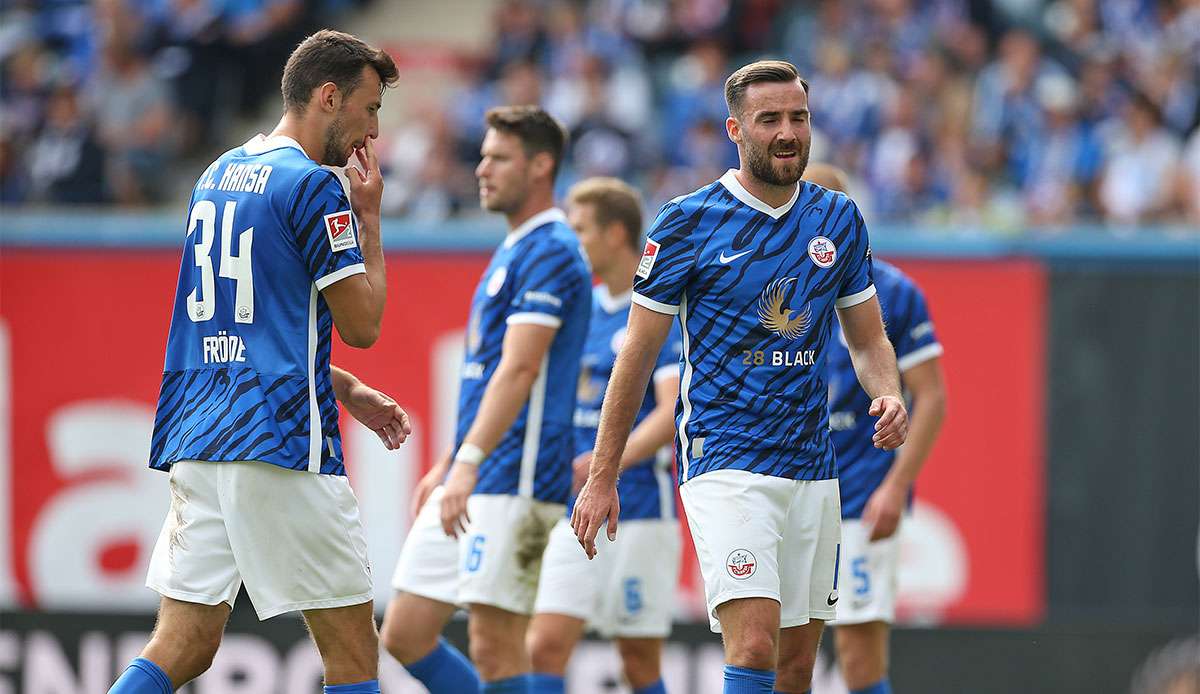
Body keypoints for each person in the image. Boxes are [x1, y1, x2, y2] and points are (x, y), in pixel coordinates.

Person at [571, 60, 909, 694]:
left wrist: (885, 390)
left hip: (813, 465)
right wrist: (603, 474)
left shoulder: (838, 218)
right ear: (735, 129)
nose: (787, 132)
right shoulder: (687, 222)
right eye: (770, 119)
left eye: (798, 118)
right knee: (753, 645)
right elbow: (638, 354)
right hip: (725, 459)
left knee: (795, 667)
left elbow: (868, 340)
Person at [109, 30, 404, 694]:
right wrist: (370, 221)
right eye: (368, 108)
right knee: (354, 655)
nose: (372, 131)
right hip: (279, 439)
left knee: (182, 640)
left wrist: (347, 390)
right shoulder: (312, 188)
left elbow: (238, 330)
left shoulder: (217, 174)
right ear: (328, 97)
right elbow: (363, 325)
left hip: (200, 435)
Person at [381, 105, 592, 693]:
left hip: (520, 473)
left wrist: (467, 463)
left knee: (497, 646)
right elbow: (486, 374)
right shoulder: (515, 248)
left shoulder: (552, 248)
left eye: (499, 158)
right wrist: (452, 460)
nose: (482, 169)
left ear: (542, 164)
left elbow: (521, 368)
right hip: (479, 469)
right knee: (405, 632)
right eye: (482, 156)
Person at [527, 177, 683, 694]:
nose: (574, 243)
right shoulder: (582, 311)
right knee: (545, 643)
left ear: (616, 234)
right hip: (578, 506)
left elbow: (670, 413)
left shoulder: (660, 311)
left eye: (581, 229)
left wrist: (605, 465)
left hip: (639, 508)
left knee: (638, 659)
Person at [804, 163, 947, 694]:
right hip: (791, 488)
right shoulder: (776, 285)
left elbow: (931, 397)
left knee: (858, 653)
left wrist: (895, 486)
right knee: (773, 646)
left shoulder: (892, 291)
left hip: (862, 494)